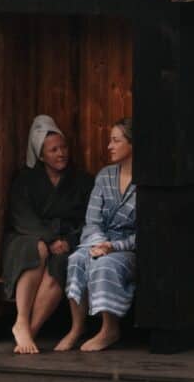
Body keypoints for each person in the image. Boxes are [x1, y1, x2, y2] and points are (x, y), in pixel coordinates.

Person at [0, 115, 88, 354]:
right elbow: (21, 216)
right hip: (28, 236)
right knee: (35, 249)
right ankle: (20, 319)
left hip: (66, 241)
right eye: (54, 150)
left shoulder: (81, 181)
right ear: (40, 155)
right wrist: (49, 239)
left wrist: (68, 241)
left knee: (61, 265)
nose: (61, 154)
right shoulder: (25, 180)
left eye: (64, 147)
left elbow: (87, 220)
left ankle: (31, 329)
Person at [58, 119, 137, 353]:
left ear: (133, 144)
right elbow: (92, 221)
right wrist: (98, 244)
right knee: (77, 259)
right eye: (109, 140)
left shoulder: (146, 182)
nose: (109, 146)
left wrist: (113, 246)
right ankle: (77, 327)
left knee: (105, 264)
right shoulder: (104, 176)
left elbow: (147, 233)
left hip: (128, 249)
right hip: (99, 240)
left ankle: (109, 329)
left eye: (116, 140)